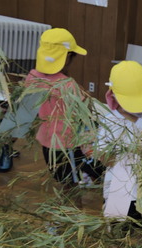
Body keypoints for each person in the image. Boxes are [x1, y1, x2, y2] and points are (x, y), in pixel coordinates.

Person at [24, 28, 102, 190]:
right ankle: (71, 208)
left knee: (65, 180)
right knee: (72, 183)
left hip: (47, 141)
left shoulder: (32, 76)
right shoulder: (68, 85)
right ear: (66, 58)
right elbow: (83, 111)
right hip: (68, 144)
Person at [95, 60, 142, 219]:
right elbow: (105, 159)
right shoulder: (109, 122)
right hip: (118, 190)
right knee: (118, 231)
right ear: (114, 96)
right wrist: (121, 152)